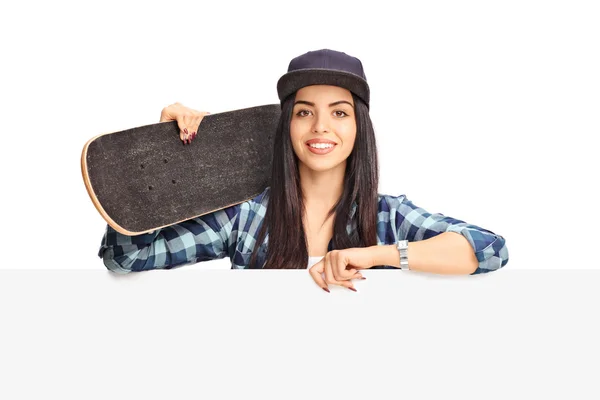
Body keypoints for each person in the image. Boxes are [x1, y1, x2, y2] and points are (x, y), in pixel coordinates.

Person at [97, 49, 509, 292]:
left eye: (339, 112)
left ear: (358, 128)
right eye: (304, 112)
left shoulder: (387, 217)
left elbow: (489, 249)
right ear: (287, 126)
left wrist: (373, 255)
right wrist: (150, 155)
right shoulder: (246, 217)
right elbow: (126, 259)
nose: (320, 127)